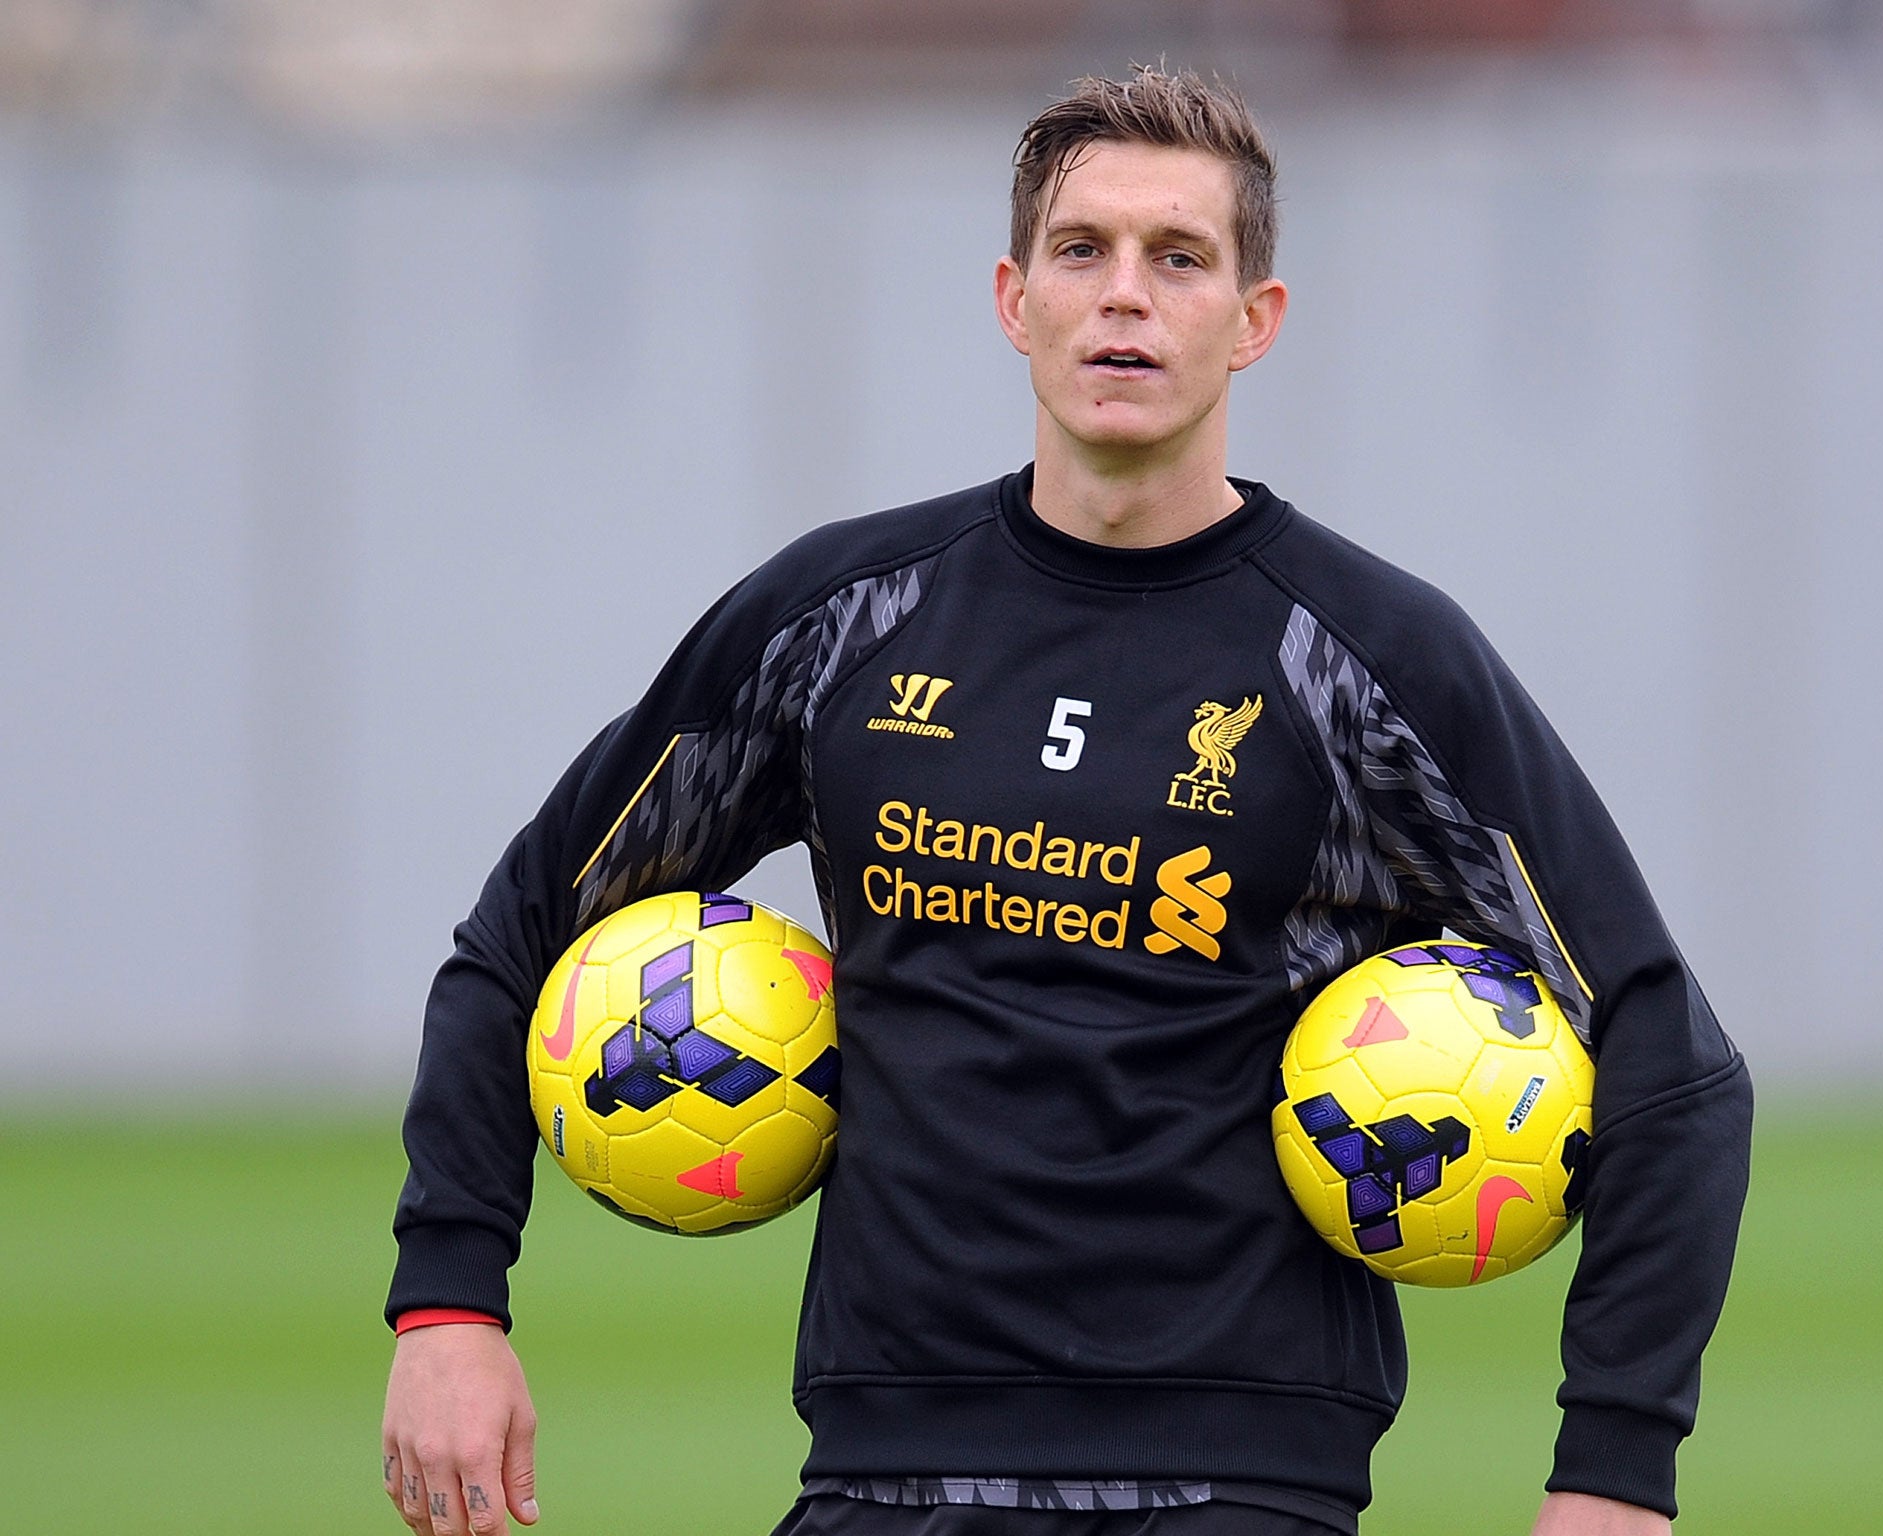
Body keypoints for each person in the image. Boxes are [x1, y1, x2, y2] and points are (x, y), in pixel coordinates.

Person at [382, 66, 1752, 1536]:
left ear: (1254, 322)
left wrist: (1616, 1476)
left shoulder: (1366, 663)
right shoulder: (844, 619)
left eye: (1181, 259)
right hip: (880, 1472)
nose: (1125, 298)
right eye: (1082, 251)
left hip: (1244, 1481)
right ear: (1012, 297)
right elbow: (520, 930)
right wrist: (449, 1305)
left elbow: (1669, 1058)